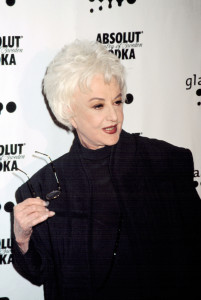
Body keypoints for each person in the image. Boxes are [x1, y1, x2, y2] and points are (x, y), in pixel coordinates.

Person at [12, 40, 201, 300]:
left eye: (118, 101)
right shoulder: (42, 188)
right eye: (98, 106)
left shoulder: (166, 162)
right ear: (69, 111)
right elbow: (38, 273)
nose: (114, 116)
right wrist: (22, 238)